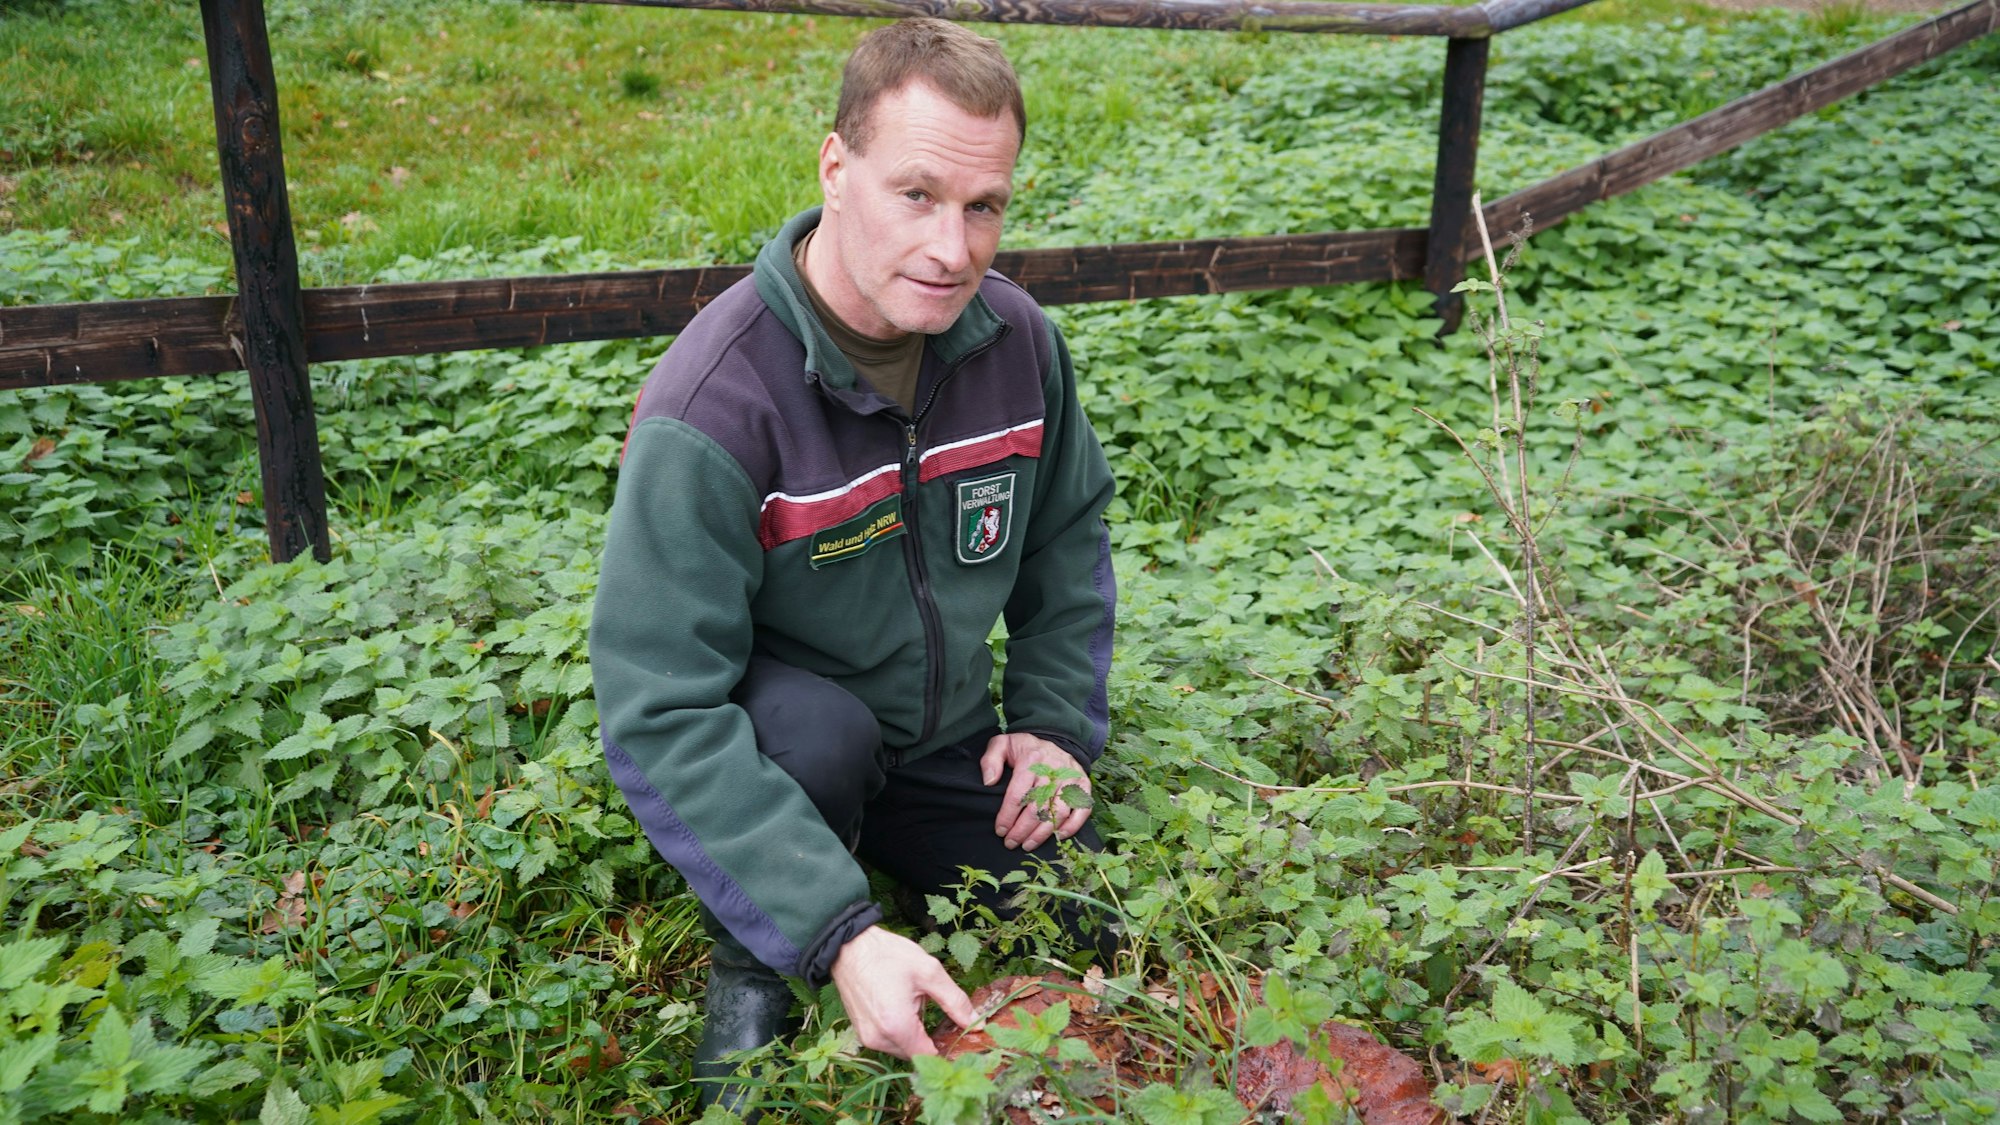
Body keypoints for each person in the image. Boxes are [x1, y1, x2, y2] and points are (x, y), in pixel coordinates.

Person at [586, 16, 1118, 1112]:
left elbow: (1065, 536)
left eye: (984, 206)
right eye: (914, 194)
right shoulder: (713, 405)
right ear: (836, 168)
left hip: (946, 734)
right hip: (785, 741)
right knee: (811, 735)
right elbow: (657, 705)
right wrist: (837, 934)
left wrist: (1056, 724)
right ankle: (758, 953)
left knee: (1084, 918)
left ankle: (893, 850)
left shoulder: (1015, 342)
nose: (952, 248)